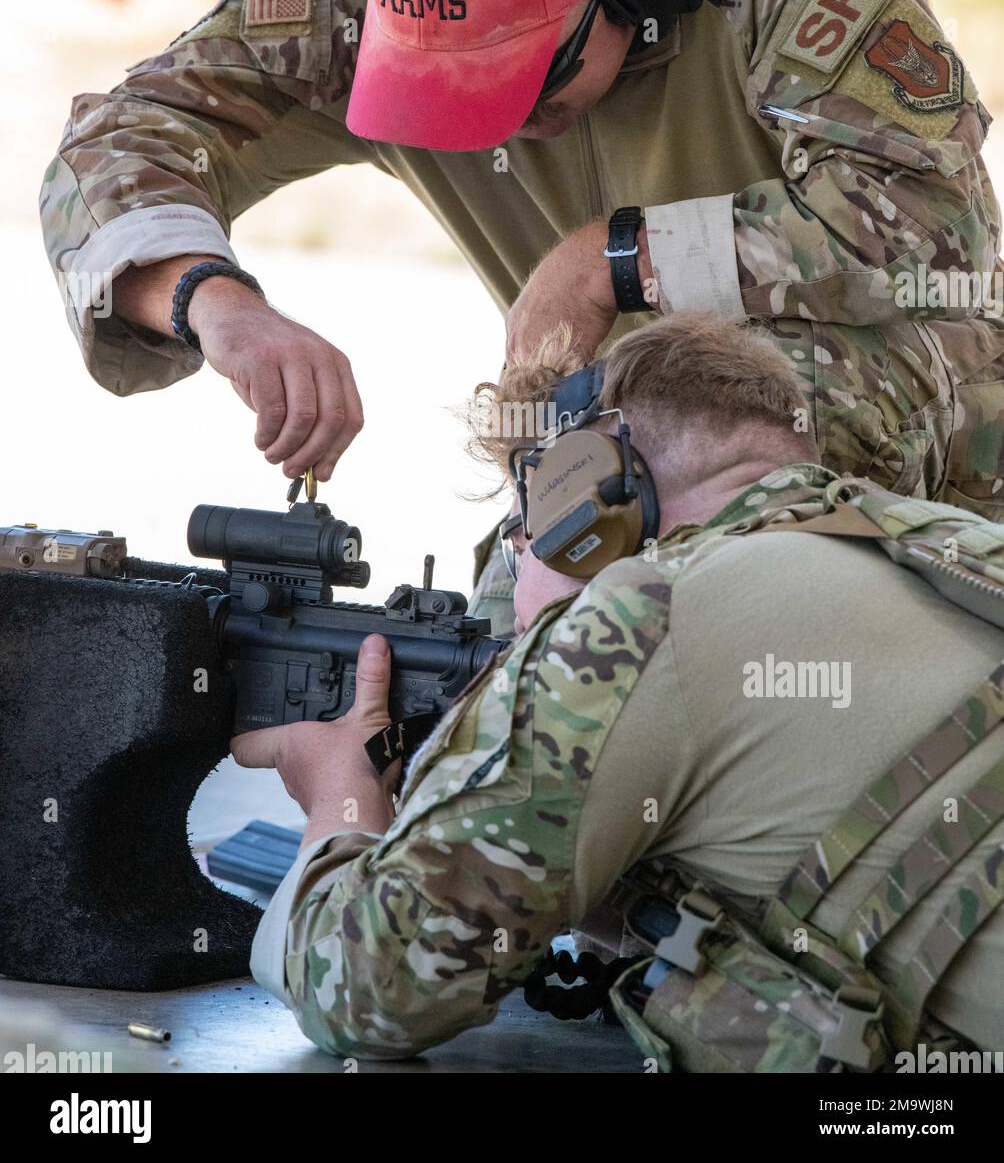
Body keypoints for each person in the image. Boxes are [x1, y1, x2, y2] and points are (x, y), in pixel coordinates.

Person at [38, 0, 1003, 527]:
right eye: (440, 93)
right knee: (519, 621)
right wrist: (217, 304)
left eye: (524, 82)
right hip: (603, 452)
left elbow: (930, 222)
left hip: (915, 448)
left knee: (662, 495)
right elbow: (112, 145)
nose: (491, 127)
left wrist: (614, 261)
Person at [237, 312, 1004, 1068]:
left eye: (520, 533)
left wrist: (342, 798)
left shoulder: (646, 612)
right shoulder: (950, 545)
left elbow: (365, 991)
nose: (518, 566)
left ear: (589, 501)